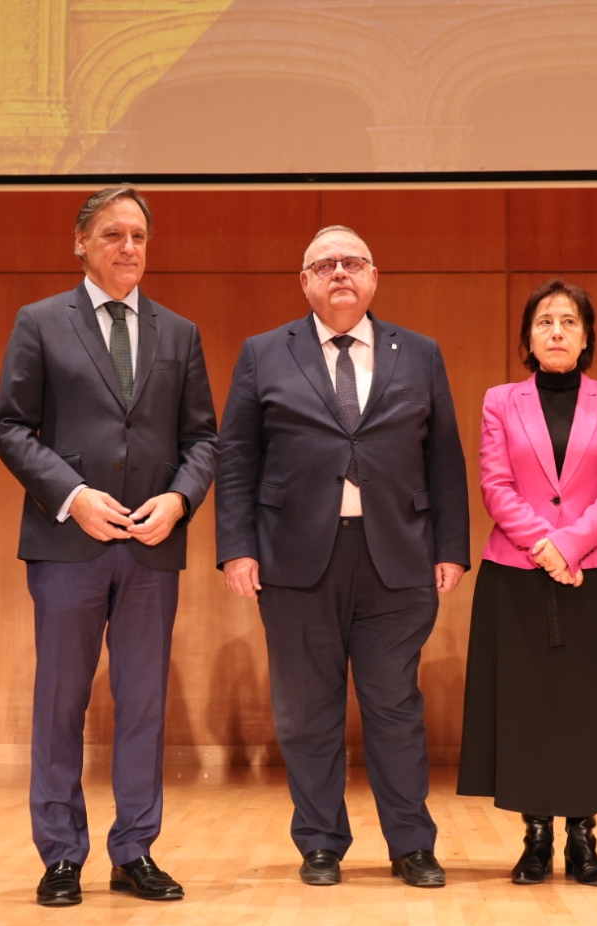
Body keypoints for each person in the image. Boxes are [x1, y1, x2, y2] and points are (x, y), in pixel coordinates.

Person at [216, 225, 470, 889]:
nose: (339, 274)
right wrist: (236, 549)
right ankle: (321, 843)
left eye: (352, 263)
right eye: (324, 265)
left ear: (373, 277)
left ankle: (412, 844)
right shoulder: (264, 353)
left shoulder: (418, 353)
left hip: (397, 558)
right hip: (295, 561)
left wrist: (451, 546)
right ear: (304, 283)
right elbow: (238, 457)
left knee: (394, 708)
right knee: (306, 712)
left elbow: (444, 455)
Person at [0, 186, 218, 907]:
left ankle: (135, 850)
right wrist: (72, 496)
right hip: (69, 543)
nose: (129, 248)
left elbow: (204, 439)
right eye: (114, 234)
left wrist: (179, 500)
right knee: (61, 701)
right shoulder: (39, 323)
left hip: (150, 548)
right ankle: (61, 855)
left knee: (144, 703)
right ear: (80, 243)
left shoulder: (178, 333)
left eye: (140, 237)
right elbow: (11, 427)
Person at [457, 279, 597, 886]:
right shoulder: (499, 400)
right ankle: (535, 837)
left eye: (569, 322)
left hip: (593, 572)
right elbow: (495, 485)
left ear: (587, 335)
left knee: (589, 707)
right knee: (527, 706)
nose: (557, 332)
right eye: (545, 322)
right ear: (528, 338)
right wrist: (543, 546)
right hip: (515, 570)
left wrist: (568, 545)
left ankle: (583, 840)